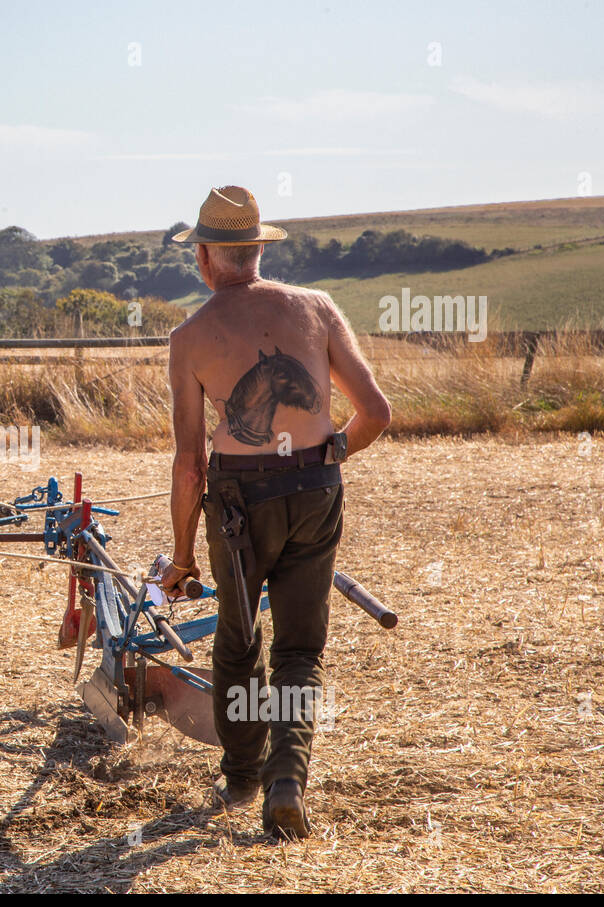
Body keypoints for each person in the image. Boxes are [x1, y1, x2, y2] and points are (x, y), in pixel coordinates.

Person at [160, 186, 391, 839]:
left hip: (237, 504)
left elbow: (189, 465)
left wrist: (181, 557)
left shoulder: (190, 338)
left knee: (238, 643)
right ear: (258, 249)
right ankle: (285, 780)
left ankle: (241, 770)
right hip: (315, 488)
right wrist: (331, 452)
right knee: (299, 646)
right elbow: (376, 412)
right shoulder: (316, 308)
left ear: (204, 258)